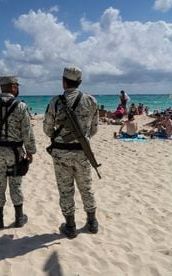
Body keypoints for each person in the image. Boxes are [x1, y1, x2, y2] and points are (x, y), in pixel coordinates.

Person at [43, 66, 99, 239]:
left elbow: (47, 128)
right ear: (80, 82)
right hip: (82, 152)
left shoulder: (55, 102)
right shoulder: (91, 101)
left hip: (61, 153)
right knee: (86, 187)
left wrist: (58, 137)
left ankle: (70, 226)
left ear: (63, 81)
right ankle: (92, 222)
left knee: (65, 190)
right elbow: (94, 129)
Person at [0, 75, 36, 229]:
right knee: (15, 185)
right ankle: (19, 218)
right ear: (12, 87)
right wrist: (30, 151)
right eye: (17, 85)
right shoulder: (21, 107)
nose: (18, 87)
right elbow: (27, 133)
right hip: (15, 152)